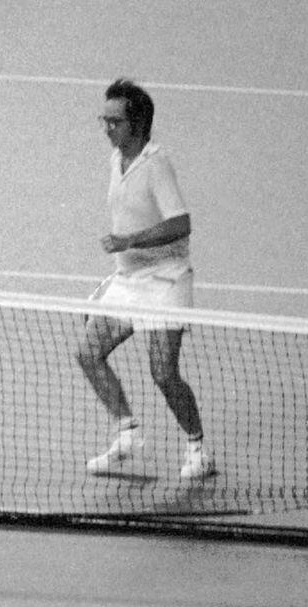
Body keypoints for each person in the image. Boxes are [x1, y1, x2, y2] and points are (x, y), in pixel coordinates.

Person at [76, 78, 214, 480]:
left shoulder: (156, 165)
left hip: (166, 280)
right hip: (128, 279)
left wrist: (129, 240)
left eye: (114, 121)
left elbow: (181, 224)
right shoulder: (117, 159)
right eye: (103, 119)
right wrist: (118, 268)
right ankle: (127, 434)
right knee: (88, 352)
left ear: (136, 123)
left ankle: (198, 449)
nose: (107, 128)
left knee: (163, 373)